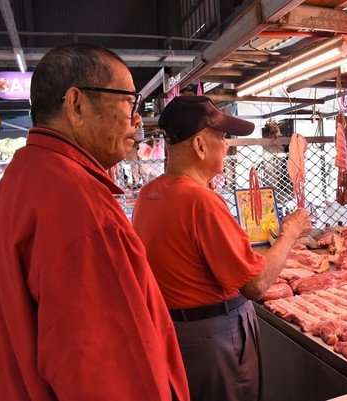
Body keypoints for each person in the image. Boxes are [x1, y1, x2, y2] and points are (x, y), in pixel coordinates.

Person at [0, 43, 190, 401]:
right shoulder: (80, 209)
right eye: (129, 101)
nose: (138, 118)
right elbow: (115, 378)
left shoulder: (16, 184)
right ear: (76, 104)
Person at [132, 96, 312, 401]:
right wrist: (290, 232)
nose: (227, 145)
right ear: (200, 146)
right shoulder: (199, 200)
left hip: (173, 333)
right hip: (213, 338)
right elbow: (255, 285)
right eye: (222, 136)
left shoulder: (149, 194)